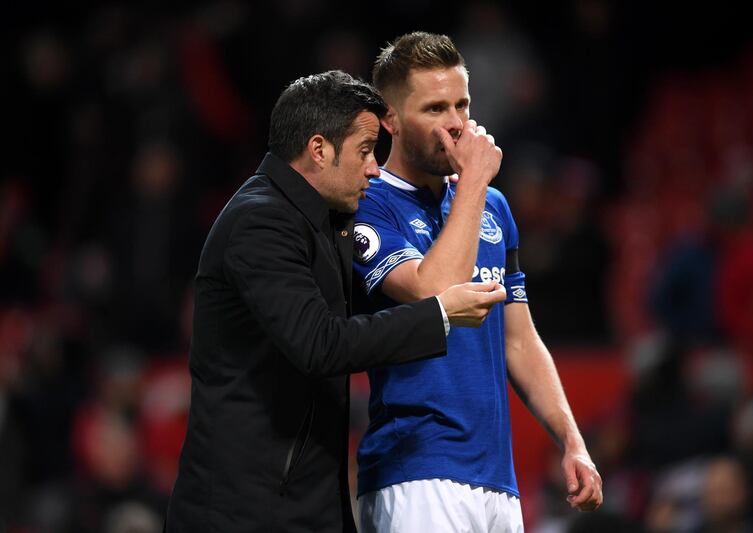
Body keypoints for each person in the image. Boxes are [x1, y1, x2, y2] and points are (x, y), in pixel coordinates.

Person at [163, 70, 507, 533]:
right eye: (365, 151)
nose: (373, 168)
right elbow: (320, 344)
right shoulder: (259, 222)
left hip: (305, 500)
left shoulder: (321, 219)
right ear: (319, 149)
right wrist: (440, 314)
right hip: (243, 510)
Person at [352, 33, 602, 532]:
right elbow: (433, 294)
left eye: (462, 104)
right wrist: (472, 185)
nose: (455, 123)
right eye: (435, 108)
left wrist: (572, 440)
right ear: (391, 119)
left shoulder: (493, 206)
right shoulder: (369, 202)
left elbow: (519, 338)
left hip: (496, 479)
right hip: (415, 471)